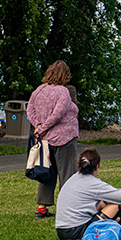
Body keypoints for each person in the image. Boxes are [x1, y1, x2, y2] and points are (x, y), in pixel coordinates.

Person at [27, 60, 79, 219]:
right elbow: (58, 113)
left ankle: (41, 209)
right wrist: (43, 127)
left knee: (46, 173)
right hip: (64, 137)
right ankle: (67, 210)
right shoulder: (63, 91)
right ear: (65, 76)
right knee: (67, 173)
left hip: (44, 139)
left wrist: (38, 126)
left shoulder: (39, 90)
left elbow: (30, 109)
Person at [55, 147, 121, 240]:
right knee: (116, 204)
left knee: (102, 203)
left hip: (61, 230)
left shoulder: (72, 179)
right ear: (97, 167)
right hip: (76, 231)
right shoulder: (93, 183)